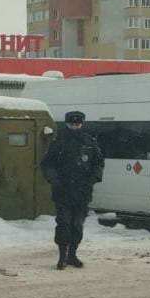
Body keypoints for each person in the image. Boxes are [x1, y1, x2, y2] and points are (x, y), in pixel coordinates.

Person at [41, 111, 104, 270]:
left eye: (77, 124)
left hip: (82, 192)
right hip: (63, 191)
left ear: (81, 124)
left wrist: (93, 178)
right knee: (64, 224)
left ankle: (72, 255)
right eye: (71, 124)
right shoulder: (58, 141)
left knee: (77, 225)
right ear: (67, 124)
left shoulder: (89, 142)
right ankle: (62, 256)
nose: (74, 127)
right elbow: (47, 164)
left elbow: (99, 163)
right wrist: (54, 179)